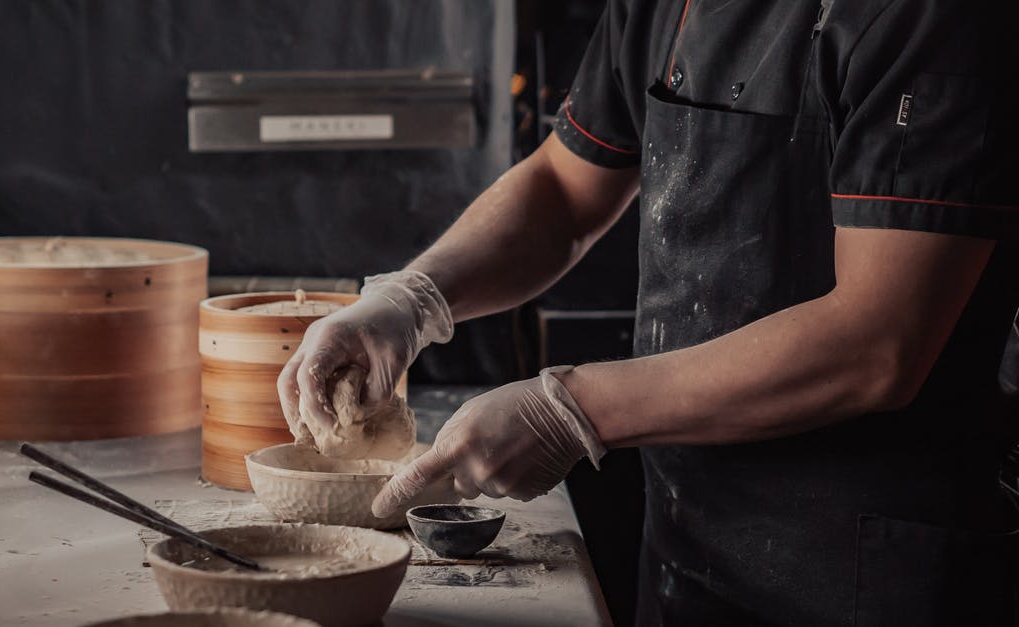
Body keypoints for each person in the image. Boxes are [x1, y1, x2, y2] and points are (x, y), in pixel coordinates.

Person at [278, 0, 1019, 624]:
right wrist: (412, 296)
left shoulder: (932, 15)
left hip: (872, 568)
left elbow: (877, 343)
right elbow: (565, 192)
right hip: (687, 544)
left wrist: (572, 409)